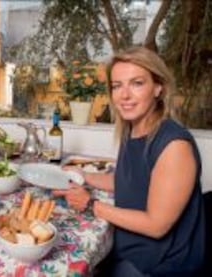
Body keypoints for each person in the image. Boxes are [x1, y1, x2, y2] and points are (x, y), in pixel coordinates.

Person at [53, 47, 204, 276]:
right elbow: (130, 181)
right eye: (117, 85)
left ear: (158, 88)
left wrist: (91, 204)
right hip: (125, 245)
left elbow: (156, 225)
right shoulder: (132, 128)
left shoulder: (174, 146)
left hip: (157, 264)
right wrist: (83, 176)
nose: (124, 95)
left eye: (136, 83)